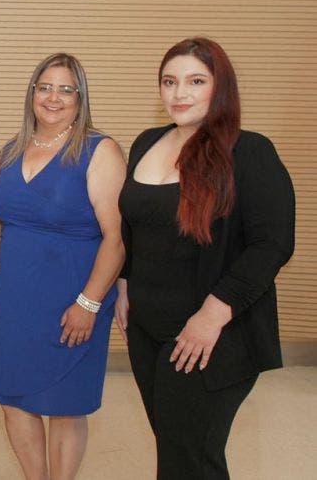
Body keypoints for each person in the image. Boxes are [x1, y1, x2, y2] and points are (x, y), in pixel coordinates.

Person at [116, 37, 295, 479]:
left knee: (191, 458)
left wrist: (211, 316)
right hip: (147, 331)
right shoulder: (145, 143)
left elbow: (272, 245)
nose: (180, 93)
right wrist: (124, 281)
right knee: (177, 450)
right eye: (169, 81)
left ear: (221, 88)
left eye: (196, 81)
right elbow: (134, 224)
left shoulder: (249, 152)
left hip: (211, 335)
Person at [0, 53, 126, 480]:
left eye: (66, 89)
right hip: (16, 302)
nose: (54, 97)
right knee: (14, 400)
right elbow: (0, 224)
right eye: (45, 87)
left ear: (80, 98)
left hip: (75, 298)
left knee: (66, 406)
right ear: (32, 93)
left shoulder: (98, 150)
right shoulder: (11, 150)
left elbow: (117, 238)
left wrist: (89, 303)